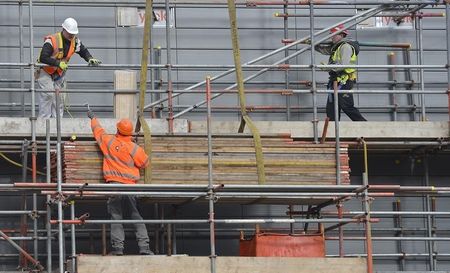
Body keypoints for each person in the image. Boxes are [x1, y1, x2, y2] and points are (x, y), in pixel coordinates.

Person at [87, 109, 153, 256]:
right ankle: (144, 248)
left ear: (117, 129)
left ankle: (118, 249)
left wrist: (93, 117)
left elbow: (98, 131)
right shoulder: (134, 148)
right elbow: (145, 163)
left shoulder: (109, 142)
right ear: (129, 133)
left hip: (114, 186)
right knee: (136, 215)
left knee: (116, 217)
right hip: (130, 187)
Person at [37, 18, 101, 118]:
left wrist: (89, 58)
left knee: (60, 98)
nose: (72, 35)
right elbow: (43, 57)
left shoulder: (75, 41)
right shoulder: (52, 40)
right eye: (70, 33)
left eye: (73, 33)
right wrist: (57, 63)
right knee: (48, 95)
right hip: (46, 72)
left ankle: (58, 125)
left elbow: (83, 51)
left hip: (59, 74)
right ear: (63, 29)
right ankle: (44, 124)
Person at [314, 24, 367, 121]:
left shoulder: (345, 47)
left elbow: (343, 65)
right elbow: (324, 50)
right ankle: (333, 132)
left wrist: (327, 68)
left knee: (347, 106)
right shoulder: (337, 46)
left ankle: (365, 127)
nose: (331, 37)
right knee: (331, 109)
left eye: (333, 35)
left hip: (344, 81)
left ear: (341, 35)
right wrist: (313, 44)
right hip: (336, 80)